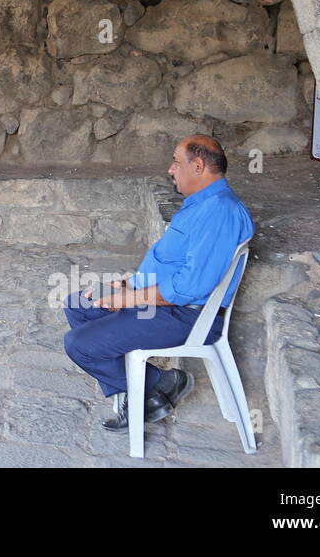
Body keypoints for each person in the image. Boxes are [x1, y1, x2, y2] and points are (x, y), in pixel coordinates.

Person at [61, 135, 255, 433]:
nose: (171, 169)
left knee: (80, 346)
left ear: (199, 166)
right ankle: (148, 392)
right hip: (167, 305)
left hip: (188, 315)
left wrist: (130, 299)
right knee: (78, 303)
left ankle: (162, 383)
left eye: (176, 161)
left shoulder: (219, 212)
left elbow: (190, 287)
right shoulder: (202, 205)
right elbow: (175, 265)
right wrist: (127, 285)